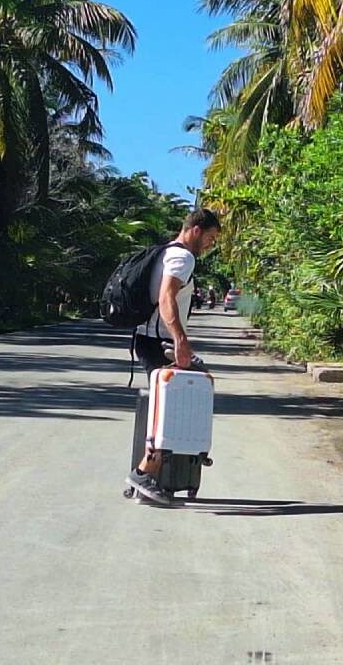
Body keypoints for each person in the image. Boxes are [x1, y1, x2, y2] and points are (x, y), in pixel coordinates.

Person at [126, 209, 222, 504]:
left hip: (148, 338)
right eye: (210, 237)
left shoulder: (167, 252)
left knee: (162, 406)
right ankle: (143, 473)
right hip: (159, 341)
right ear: (195, 230)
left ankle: (145, 479)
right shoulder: (183, 257)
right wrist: (180, 340)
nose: (210, 245)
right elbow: (167, 298)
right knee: (168, 410)